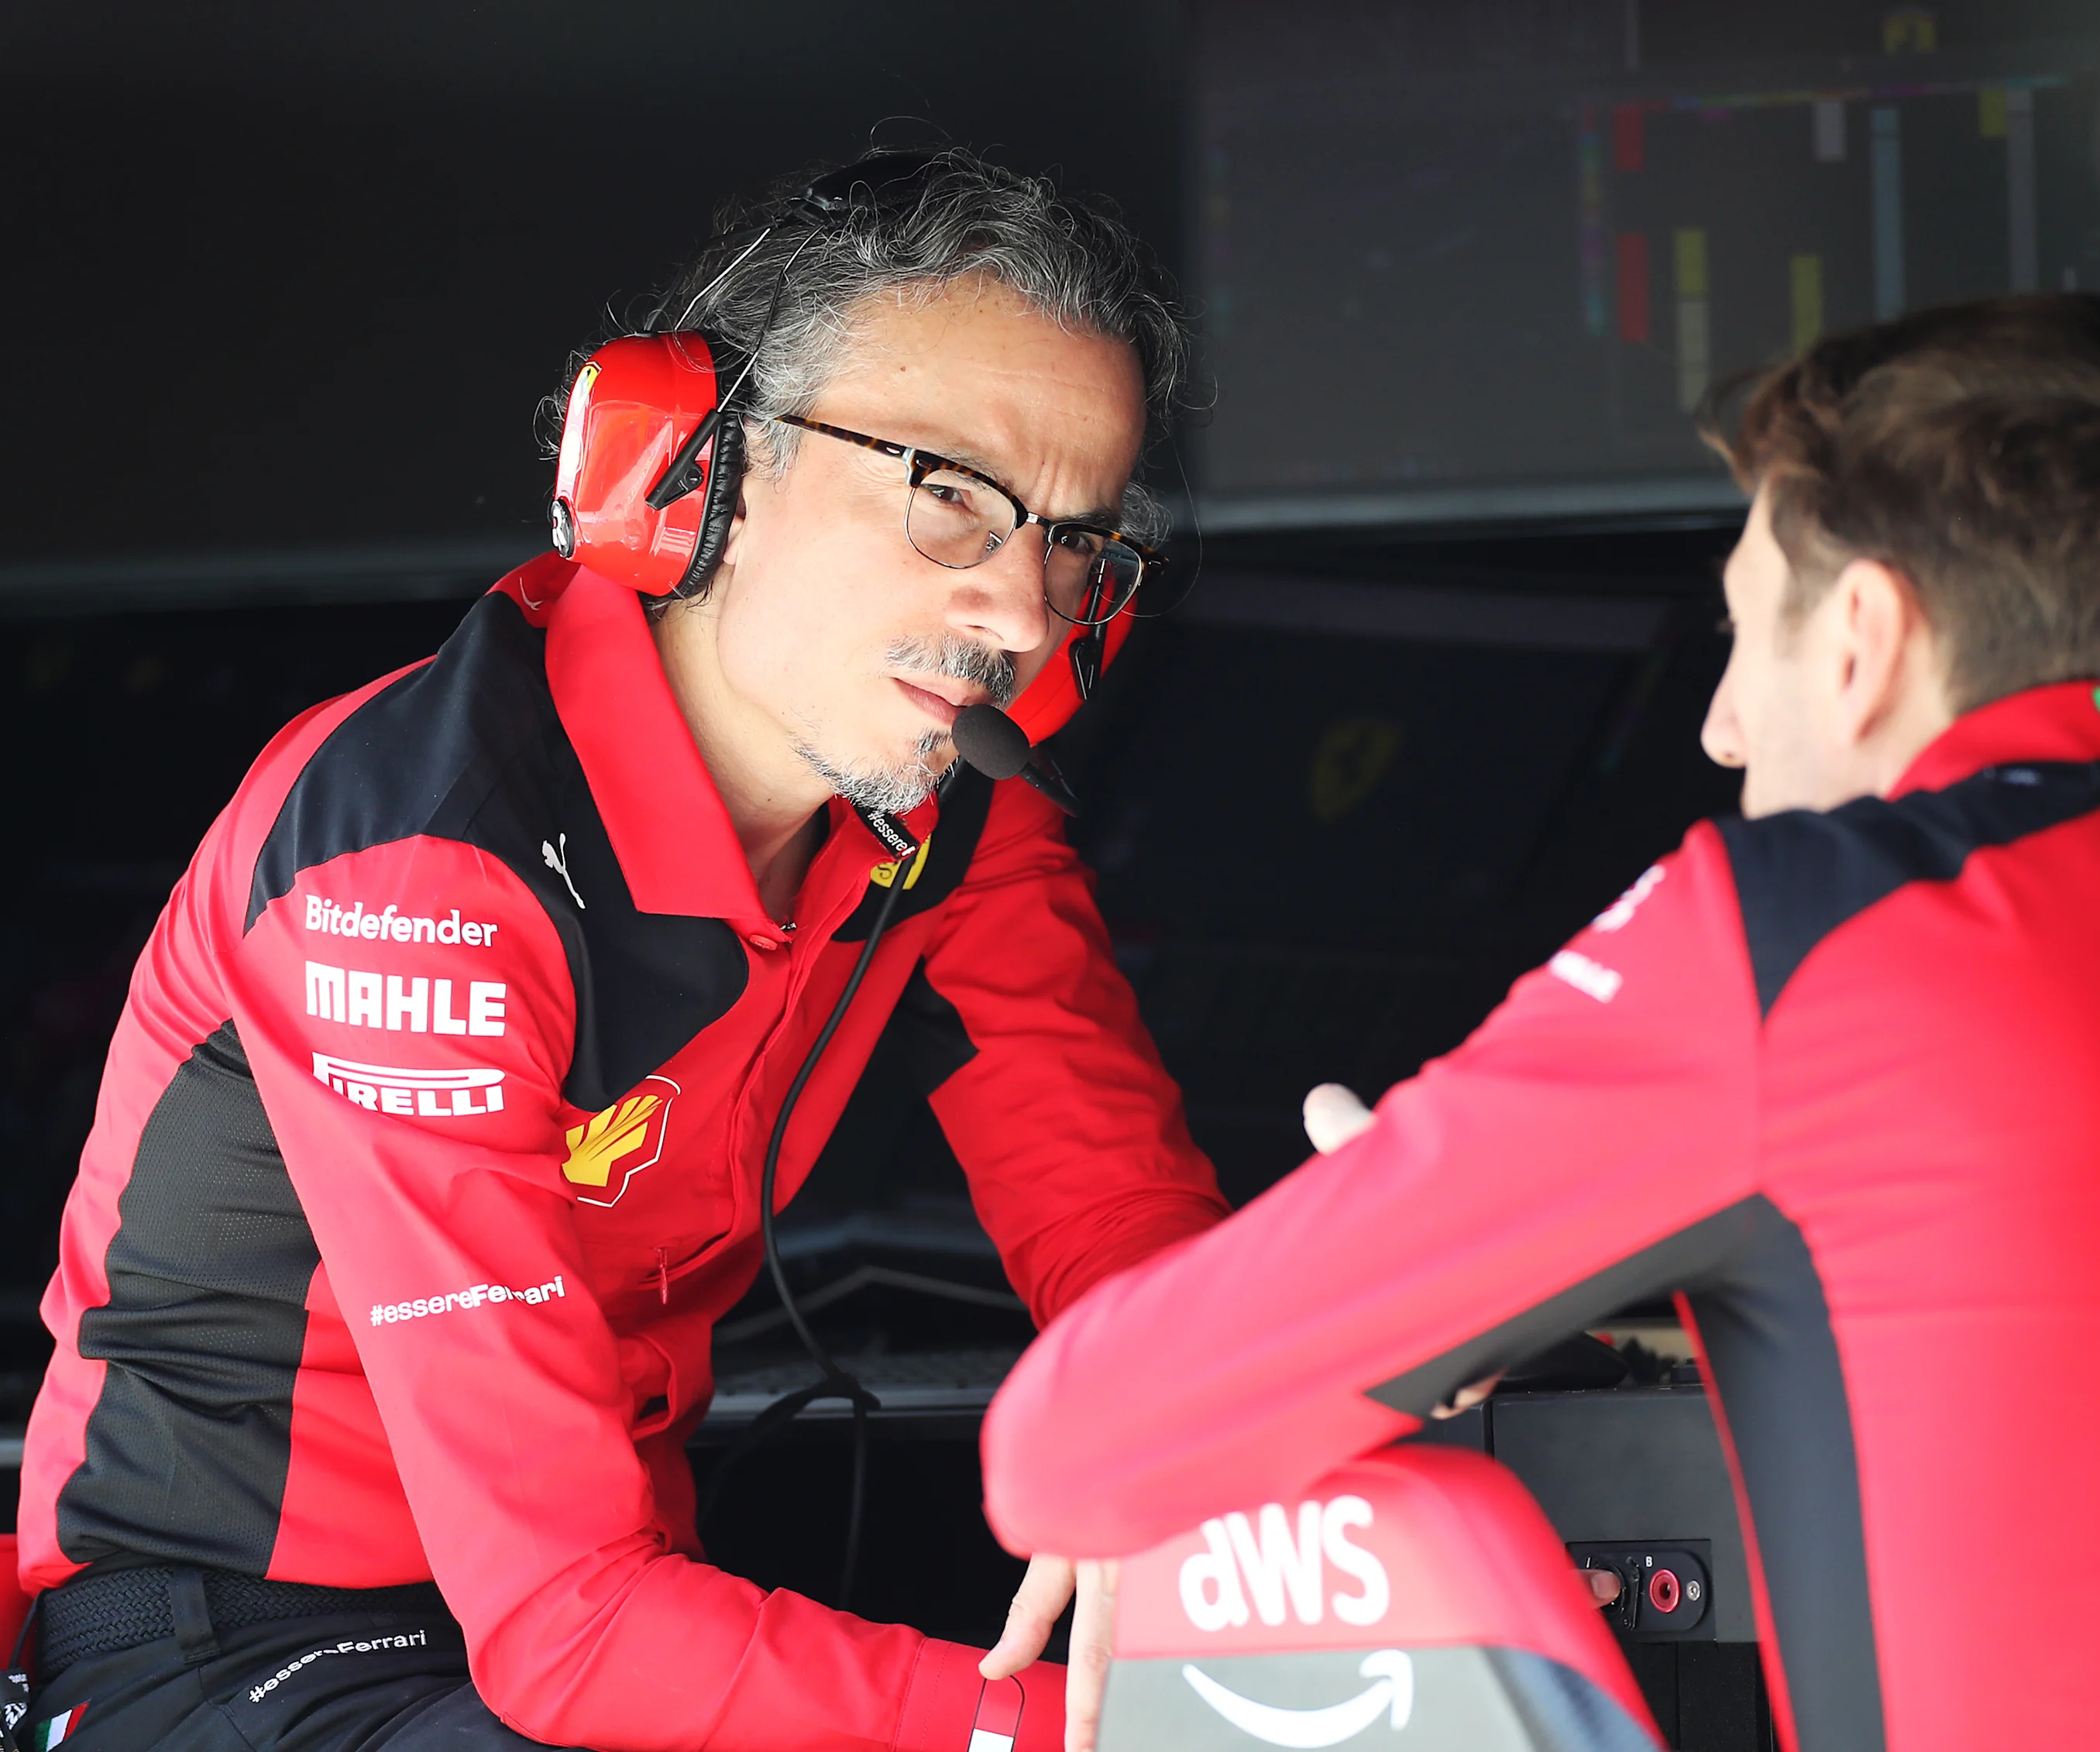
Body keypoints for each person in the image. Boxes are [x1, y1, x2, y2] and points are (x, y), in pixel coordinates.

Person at [978, 294, 2100, 1750]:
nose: (1714, 726)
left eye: (1743, 632)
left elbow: (1078, 1445)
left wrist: (1390, 1261)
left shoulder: (1799, 935)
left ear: (1860, 641)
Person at [14, 146, 1228, 1752]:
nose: (1021, 613)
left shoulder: (956, 823)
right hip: (234, 1653)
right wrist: (1093, 1735)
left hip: (597, 1622)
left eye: (1074, 541)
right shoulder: (423, 864)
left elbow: (1118, 1227)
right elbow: (569, 1635)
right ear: (694, 463)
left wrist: (1210, 1445)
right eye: (949, 494)